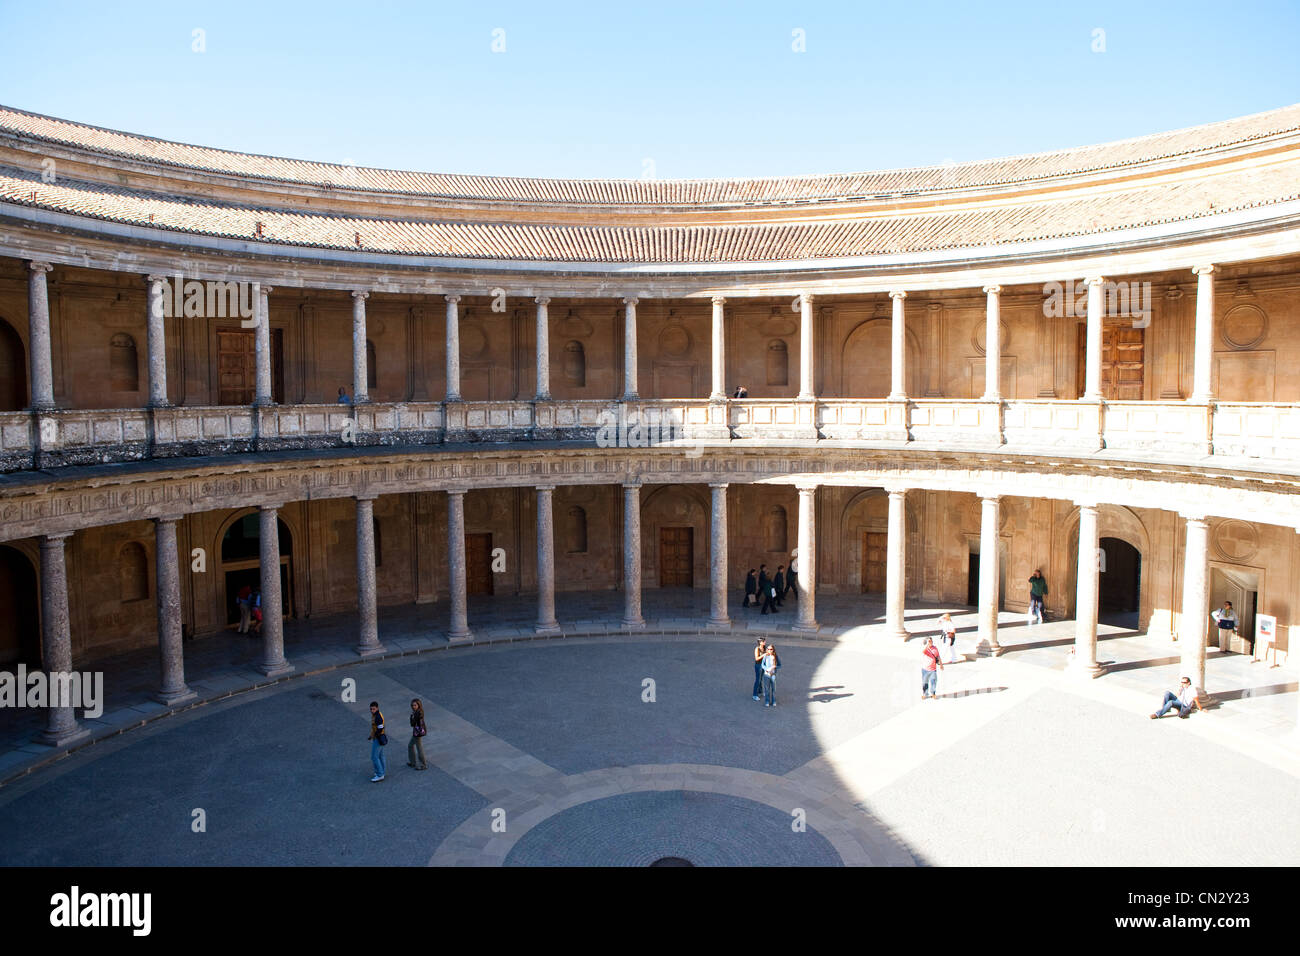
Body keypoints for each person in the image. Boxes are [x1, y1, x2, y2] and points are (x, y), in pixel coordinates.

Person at [368, 701, 387, 781]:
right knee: (381, 756)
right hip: (381, 737)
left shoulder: (378, 717)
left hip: (378, 738)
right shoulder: (377, 714)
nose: (372, 710)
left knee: (374, 757)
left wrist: (375, 736)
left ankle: (380, 774)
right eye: (371, 709)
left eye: (374, 709)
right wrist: (371, 735)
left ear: (377, 708)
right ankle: (382, 771)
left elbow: (380, 728)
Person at [407, 698, 428, 771]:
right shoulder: (417, 712)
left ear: (419, 705)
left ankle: (423, 764)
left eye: (415, 705)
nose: (413, 706)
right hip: (416, 732)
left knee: (419, 748)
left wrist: (411, 717)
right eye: (412, 705)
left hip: (418, 733)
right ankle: (413, 762)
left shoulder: (418, 713)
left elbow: (412, 724)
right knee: (410, 745)